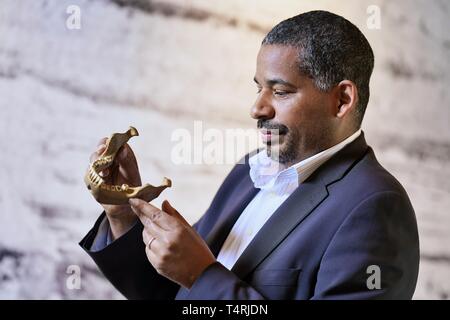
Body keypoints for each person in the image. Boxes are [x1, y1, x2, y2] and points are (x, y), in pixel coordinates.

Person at [80, 10, 419, 299]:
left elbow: (197, 281)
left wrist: (202, 276)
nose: (257, 107)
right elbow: (169, 292)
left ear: (342, 100)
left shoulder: (376, 209)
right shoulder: (250, 171)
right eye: (259, 87)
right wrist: (122, 216)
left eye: (281, 91)